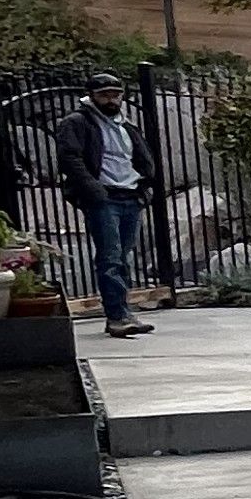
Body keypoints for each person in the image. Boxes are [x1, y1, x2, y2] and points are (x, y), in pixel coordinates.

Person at [55, 70, 162, 337]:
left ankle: (124, 312)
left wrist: (144, 190)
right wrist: (94, 190)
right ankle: (117, 316)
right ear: (91, 96)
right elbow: (70, 158)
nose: (111, 100)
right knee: (110, 258)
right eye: (104, 95)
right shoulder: (78, 122)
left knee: (122, 257)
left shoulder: (126, 126)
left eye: (116, 95)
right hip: (104, 198)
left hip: (130, 196)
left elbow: (142, 159)